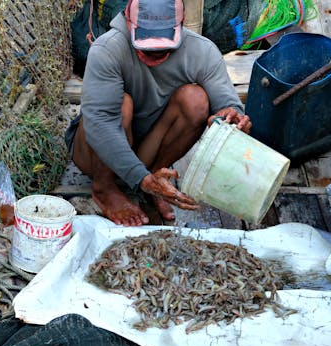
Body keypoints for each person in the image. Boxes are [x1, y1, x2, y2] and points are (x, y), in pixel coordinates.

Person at [65, 0, 252, 226]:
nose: (154, 51)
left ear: (180, 25)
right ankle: (105, 189)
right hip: (95, 153)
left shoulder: (202, 51)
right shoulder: (107, 49)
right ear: (128, 20)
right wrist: (139, 179)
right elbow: (99, 125)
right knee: (122, 104)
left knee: (196, 100)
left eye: (163, 44)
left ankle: (157, 178)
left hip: (147, 149)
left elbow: (227, 102)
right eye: (145, 43)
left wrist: (230, 118)